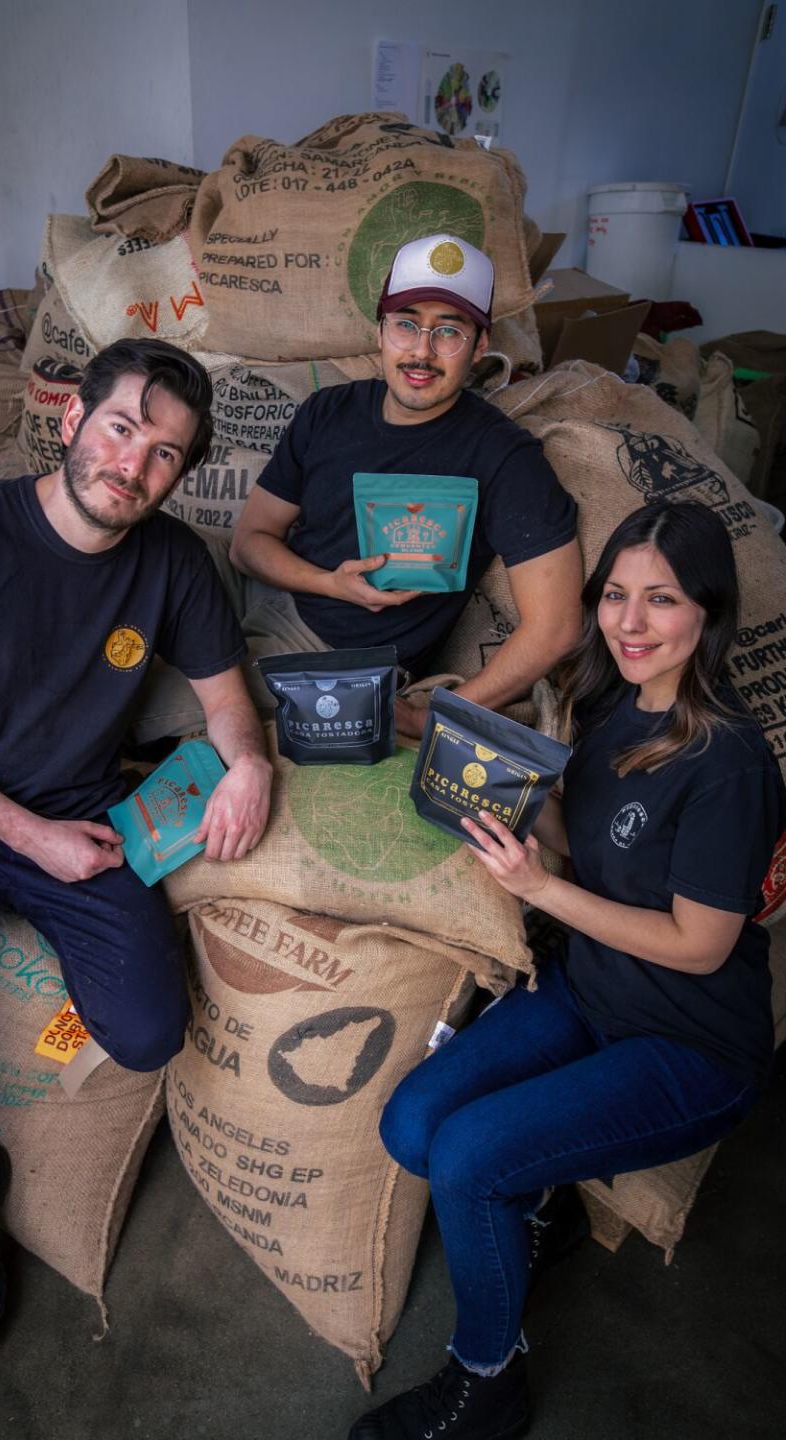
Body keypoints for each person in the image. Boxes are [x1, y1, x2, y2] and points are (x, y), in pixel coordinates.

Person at [0, 338, 272, 1368]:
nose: (135, 465)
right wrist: (26, 838)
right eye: (121, 429)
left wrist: (244, 764)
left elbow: (227, 706)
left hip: (82, 813)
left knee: (151, 1031)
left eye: (165, 454)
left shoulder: (172, 562)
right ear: (72, 420)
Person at [348, 501, 785, 1439]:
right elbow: (580, 844)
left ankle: (485, 1382)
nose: (629, 623)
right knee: (412, 1122)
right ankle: (535, 1201)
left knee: (467, 1163)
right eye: (616, 596)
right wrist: (495, 791)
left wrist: (535, 890)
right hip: (593, 989)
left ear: (707, 611)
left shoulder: (730, 763)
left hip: (692, 1040)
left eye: (660, 600)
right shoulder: (613, 703)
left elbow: (700, 944)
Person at [131, 233, 582, 746]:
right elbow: (249, 541)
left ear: (480, 345)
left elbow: (557, 626)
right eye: (406, 325)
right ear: (380, 331)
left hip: (325, 646)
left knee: (132, 704)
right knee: (138, 551)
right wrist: (329, 581)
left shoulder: (502, 457)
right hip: (267, 586)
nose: (421, 351)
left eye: (449, 332)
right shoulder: (330, 411)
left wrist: (436, 713)